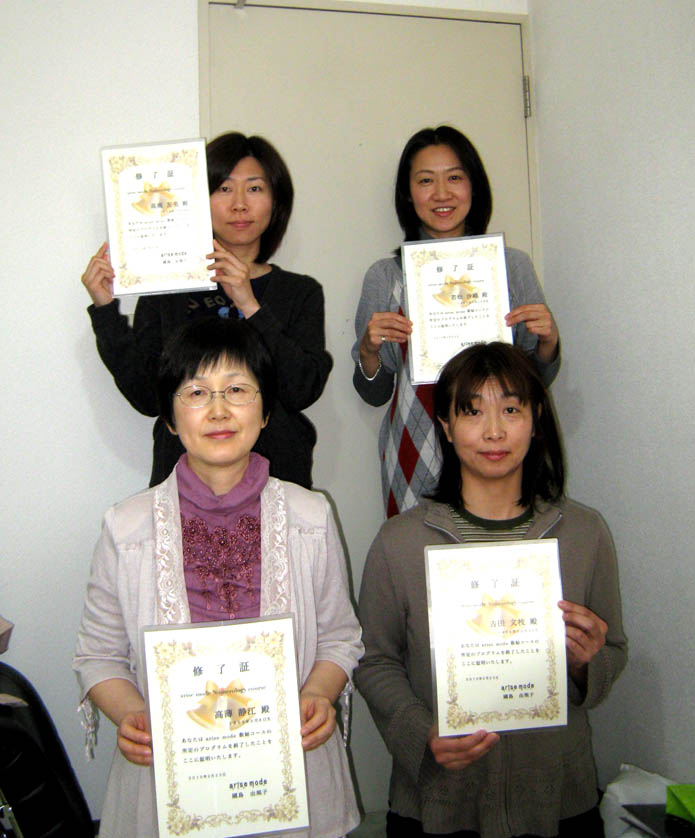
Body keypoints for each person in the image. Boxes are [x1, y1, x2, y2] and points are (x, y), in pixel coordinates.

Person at [73, 317, 362, 838]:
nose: (219, 410)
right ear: (170, 418)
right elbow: (98, 654)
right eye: (196, 392)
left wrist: (320, 694)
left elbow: (339, 636)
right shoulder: (126, 526)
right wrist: (132, 714)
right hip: (171, 778)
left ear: (265, 410)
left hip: (291, 774)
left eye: (237, 390)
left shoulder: (310, 516)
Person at [354, 342, 626, 838]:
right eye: (472, 411)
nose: (494, 431)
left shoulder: (584, 533)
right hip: (437, 804)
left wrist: (587, 663)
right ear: (445, 425)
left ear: (536, 419)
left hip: (558, 802)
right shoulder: (400, 541)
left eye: (512, 410)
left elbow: (614, 650)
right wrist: (421, 733)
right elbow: (374, 661)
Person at [82, 131, 332, 489]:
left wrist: (248, 303)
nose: (240, 204)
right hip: (183, 484)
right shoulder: (166, 287)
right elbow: (148, 398)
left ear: (277, 201)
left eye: (255, 188)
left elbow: (301, 390)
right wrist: (106, 309)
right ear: (197, 199)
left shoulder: (300, 292)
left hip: (278, 481)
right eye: (224, 188)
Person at [351, 126, 561, 517]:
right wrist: (368, 352)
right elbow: (374, 394)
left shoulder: (511, 266)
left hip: (500, 441)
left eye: (454, 177)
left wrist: (547, 344)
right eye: (425, 180)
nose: (441, 193)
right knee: (419, 548)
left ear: (474, 186)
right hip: (418, 447)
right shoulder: (386, 276)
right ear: (407, 193)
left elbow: (536, 383)